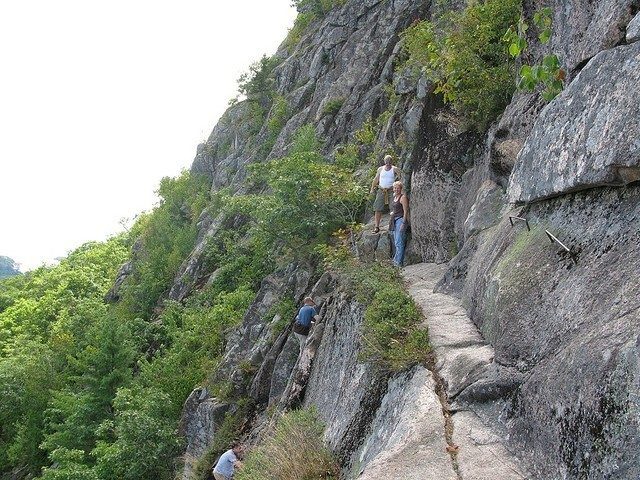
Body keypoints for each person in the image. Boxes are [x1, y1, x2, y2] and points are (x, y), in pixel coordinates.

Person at [370, 154, 400, 233]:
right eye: (387, 161)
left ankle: (392, 225)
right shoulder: (380, 169)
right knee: (377, 208)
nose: (388, 163)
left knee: (393, 208)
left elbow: (401, 177)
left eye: (389, 161)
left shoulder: (395, 169)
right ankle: (376, 226)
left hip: (391, 190)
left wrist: (400, 189)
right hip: (381, 190)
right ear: (384, 161)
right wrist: (372, 189)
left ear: (392, 162)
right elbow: (376, 179)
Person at [389, 180, 409, 267]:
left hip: (400, 220)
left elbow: (405, 211)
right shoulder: (395, 197)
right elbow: (396, 209)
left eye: (398, 188)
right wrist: (393, 213)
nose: (396, 189)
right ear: (393, 189)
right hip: (394, 220)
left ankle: (398, 263)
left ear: (401, 189)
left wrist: (403, 223)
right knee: (396, 242)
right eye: (395, 188)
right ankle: (395, 261)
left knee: (399, 242)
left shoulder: (402, 197)